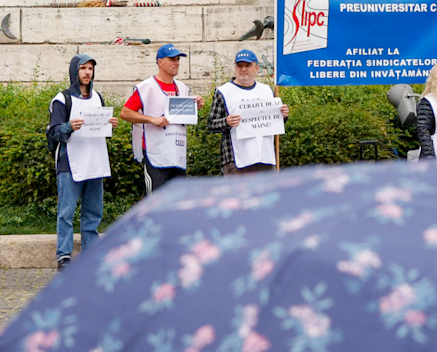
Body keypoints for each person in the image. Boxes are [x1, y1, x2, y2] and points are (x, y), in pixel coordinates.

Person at [49, 54, 110, 267]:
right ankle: (64, 255)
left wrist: (109, 123)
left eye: (90, 69)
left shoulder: (98, 97)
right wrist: (69, 126)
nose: (87, 73)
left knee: (93, 212)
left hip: (95, 160)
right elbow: (54, 131)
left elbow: (99, 127)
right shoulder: (62, 99)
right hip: (70, 163)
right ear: (75, 71)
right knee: (66, 212)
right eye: (83, 68)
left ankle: (91, 253)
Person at [119, 45, 192, 195]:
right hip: (156, 154)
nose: (176, 62)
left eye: (178, 59)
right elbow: (125, 113)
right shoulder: (146, 87)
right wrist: (151, 120)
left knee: (177, 204)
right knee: (156, 204)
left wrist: (196, 104)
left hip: (177, 155)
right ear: (159, 62)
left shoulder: (183, 88)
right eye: (172, 59)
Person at [207, 49, 292, 174]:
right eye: (239, 65)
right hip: (236, 159)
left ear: (257, 68)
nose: (243, 69)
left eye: (248, 65)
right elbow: (211, 124)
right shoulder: (223, 92)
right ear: (235, 68)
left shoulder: (267, 90)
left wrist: (283, 115)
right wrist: (226, 122)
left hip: (265, 158)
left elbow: (275, 123)